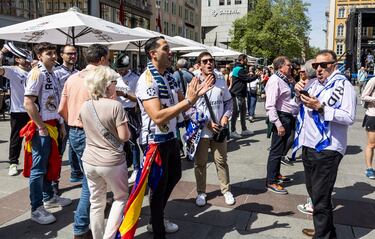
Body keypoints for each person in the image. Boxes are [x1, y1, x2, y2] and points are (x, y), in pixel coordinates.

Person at [135, 36, 213, 239]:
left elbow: (182, 104)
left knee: (175, 176)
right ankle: (157, 229)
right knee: (159, 185)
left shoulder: (169, 77)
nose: (170, 53)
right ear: (153, 54)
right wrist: (188, 100)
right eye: (166, 49)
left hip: (170, 136)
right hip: (154, 141)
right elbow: (157, 115)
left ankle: (156, 216)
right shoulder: (147, 80)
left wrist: (195, 99)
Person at [294, 50, 356, 238]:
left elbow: (349, 117)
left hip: (328, 148)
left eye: (323, 65)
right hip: (309, 144)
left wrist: (321, 107)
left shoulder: (344, 86)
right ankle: (325, 230)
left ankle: (323, 235)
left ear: (334, 65)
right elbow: (302, 106)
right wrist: (299, 95)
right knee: (314, 193)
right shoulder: (314, 84)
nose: (318, 69)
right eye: (315, 66)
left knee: (320, 197)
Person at [58, 44, 110, 239]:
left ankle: (91, 215)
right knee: (92, 182)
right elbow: (111, 109)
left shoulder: (72, 78)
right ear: (103, 58)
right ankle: (80, 227)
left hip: (75, 132)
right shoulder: (103, 77)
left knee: (91, 179)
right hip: (95, 133)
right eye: (108, 58)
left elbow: (61, 109)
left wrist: (73, 121)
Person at [23, 42, 71, 225]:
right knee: (38, 168)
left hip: (53, 124)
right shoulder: (37, 73)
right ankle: (36, 208)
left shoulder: (51, 73)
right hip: (42, 127)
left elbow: (54, 101)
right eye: (48, 53)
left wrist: (59, 123)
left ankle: (49, 197)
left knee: (51, 163)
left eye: (54, 53)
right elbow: (29, 103)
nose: (53, 56)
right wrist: (41, 127)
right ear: (39, 56)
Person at [80, 66, 130, 239]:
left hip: (89, 160)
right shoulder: (116, 106)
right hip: (112, 161)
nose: (116, 85)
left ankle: (97, 236)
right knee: (120, 198)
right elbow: (124, 136)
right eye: (114, 82)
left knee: (96, 202)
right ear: (107, 85)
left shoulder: (85, 105)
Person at [191, 52, 234, 207]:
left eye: (211, 61)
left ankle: (226, 190)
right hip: (202, 132)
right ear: (200, 64)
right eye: (205, 61)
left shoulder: (221, 80)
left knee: (221, 162)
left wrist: (225, 117)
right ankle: (201, 192)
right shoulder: (194, 81)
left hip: (219, 130)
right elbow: (189, 109)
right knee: (200, 163)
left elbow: (229, 103)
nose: (209, 63)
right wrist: (206, 122)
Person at [265, 56, 299, 195]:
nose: (291, 67)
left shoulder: (284, 79)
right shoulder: (275, 81)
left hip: (288, 117)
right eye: (289, 65)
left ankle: (277, 174)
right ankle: (271, 181)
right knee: (276, 150)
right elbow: (270, 105)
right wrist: (278, 124)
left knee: (281, 149)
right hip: (281, 117)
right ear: (280, 67)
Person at [0, 42, 32, 176]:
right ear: (18, 59)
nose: (28, 60)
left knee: (33, 139)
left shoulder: (34, 71)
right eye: (25, 57)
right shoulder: (12, 70)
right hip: (18, 111)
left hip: (33, 111)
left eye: (29, 57)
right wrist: (1, 53)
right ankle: (13, 163)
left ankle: (31, 163)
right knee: (16, 139)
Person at [54, 44, 82, 195]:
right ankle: (54, 182)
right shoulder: (56, 73)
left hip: (75, 116)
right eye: (69, 54)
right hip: (60, 117)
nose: (73, 56)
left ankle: (76, 172)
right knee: (59, 150)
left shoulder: (79, 73)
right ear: (61, 55)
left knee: (75, 146)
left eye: (75, 54)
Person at [113, 53, 142, 184]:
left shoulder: (135, 78)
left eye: (122, 69)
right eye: (118, 69)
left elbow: (139, 99)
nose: (120, 71)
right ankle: (124, 166)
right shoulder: (114, 77)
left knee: (132, 141)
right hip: (116, 111)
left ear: (127, 67)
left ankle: (136, 169)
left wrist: (124, 94)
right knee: (119, 142)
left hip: (130, 112)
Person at [230, 54, 257, 138]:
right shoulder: (239, 69)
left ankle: (244, 129)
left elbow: (244, 78)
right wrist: (256, 76)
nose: (247, 61)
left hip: (240, 94)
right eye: (246, 59)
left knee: (243, 112)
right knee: (236, 113)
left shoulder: (238, 68)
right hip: (237, 94)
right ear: (242, 60)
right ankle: (233, 131)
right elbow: (246, 79)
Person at [361, 76, 375, 179]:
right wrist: (374, 99)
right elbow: (364, 96)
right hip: (373, 115)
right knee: (372, 144)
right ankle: (369, 169)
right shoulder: (373, 80)